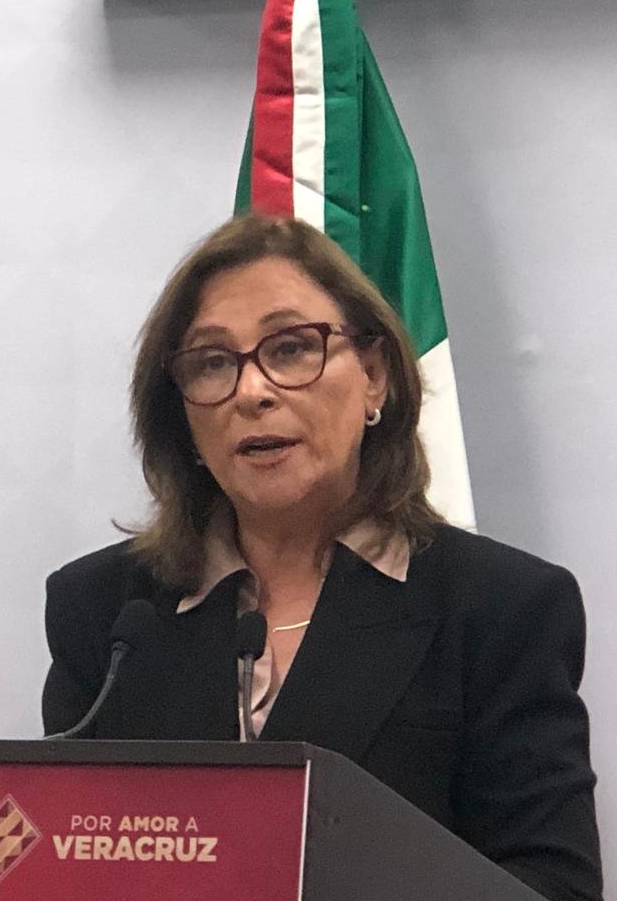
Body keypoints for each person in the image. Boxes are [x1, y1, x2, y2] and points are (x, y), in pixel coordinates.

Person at [41, 215, 601, 901]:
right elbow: (58, 864)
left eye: (291, 348)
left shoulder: (501, 607)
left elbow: (551, 883)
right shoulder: (105, 609)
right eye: (212, 362)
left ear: (374, 378)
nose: (252, 391)